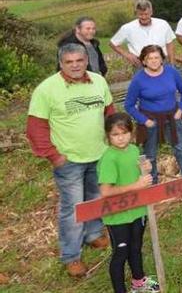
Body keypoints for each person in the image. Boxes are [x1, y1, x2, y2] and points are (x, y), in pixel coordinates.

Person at [26, 43, 115, 277]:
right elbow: (36, 128)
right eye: (69, 62)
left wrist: (113, 143)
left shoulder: (99, 81)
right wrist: (54, 156)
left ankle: (94, 234)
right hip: (69, 161)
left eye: (79, 60)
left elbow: (110, 113)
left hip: (99, 154)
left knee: (95, 198)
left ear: (86, 60)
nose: (75, 65)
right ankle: (71, 256)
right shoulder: (47, 89)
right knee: (73, 209)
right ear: (61, 63)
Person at [97, 113, 160, 293]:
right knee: (121, 253)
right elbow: (105, 191)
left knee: (136, 248)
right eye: (115, 135)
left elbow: (137, 170)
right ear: (108, 137)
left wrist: (145, 167)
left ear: (131, 133)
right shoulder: (109, 158)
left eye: (124, 133)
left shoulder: (133, 150)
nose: (120, 138)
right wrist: (136, 185)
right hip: (118, 216)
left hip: (138, 210)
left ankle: (138, 283)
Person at [124, 45, 182, 184]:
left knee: (180, 148)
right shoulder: (138, 79)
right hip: (150, 119)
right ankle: (152, 183)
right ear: (144, 61)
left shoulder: (171, 72)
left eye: (157, 57)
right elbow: (129, 105)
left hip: (172, 116)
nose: (154, 61)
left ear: (162, 59)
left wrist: (180, 110)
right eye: (149, 58)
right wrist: (144, 120)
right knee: (150, 154)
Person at [110, 0, 176, 67]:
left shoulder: (163, 24)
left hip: (162, 62)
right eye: (140, 14)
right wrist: (127, 55)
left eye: (146, 14)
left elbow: (170, 44)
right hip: (140, 64)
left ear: (151, 12)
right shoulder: (127, 28)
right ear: (136, 13)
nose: (144, 17)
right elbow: (113, 43)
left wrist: (172, 64)